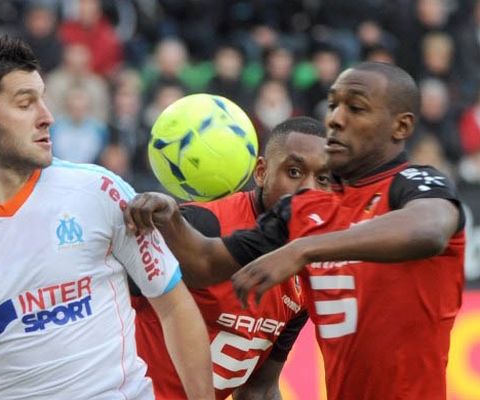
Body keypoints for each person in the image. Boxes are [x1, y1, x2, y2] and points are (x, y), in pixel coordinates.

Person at [0, 36, 214, 400]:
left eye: (43, 99)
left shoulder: (101, 192)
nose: (47, 117)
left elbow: (174, 304)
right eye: (26, 104)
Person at [124, 62, 465, 400]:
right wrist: (172, 219)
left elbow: (431, 229)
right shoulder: (298, 215)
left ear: (401, 126)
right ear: (262, 172)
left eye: (356, 108)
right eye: (333, 105)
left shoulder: (415, 184)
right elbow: (205, 262)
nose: (336, 119)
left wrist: (302, 250)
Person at [132, 116, 331, 400]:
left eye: (323, 179)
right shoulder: (202, 226)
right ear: (261, 172)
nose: (309, 190)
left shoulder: (304, 272)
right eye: (295, 172)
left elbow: (258, 390)